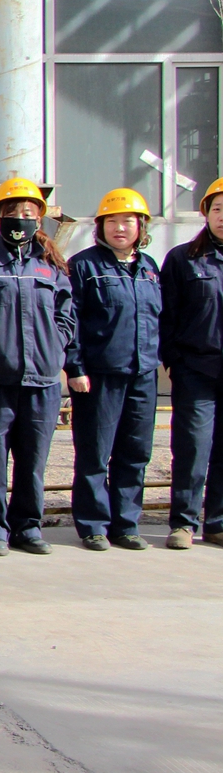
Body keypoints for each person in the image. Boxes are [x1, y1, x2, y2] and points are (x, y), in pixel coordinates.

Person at [0, 178, 75, 556]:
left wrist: (55, 346)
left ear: (39, 219)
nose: (21, 218)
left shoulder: (50, 263)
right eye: (12, 211)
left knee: (33, 462)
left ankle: (28, 527)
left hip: (42, 381)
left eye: (29, 212)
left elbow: (66, 313)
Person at [65, 187, 159, 552]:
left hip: (143, 374)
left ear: (141, 227)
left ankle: (126, 524)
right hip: (99, 376)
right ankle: (93, 525)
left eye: (128, 221)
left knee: (135, 453)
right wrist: (75, 367)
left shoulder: (149, 268)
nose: (120, 228)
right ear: (101, 226)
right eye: (112, 221)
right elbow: (71, 321)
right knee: (94, 453)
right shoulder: (84, 266)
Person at [161, 181, 223, 550]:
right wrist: (175, 362)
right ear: (206, 213)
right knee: (193, 447)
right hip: (196, 370)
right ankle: (184, 523)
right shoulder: (184, 259)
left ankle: (217, 523)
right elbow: (166, 315)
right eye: (217, 209)